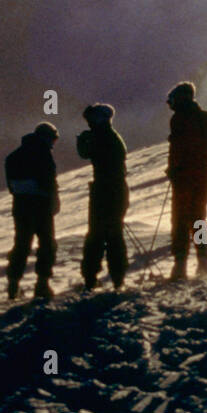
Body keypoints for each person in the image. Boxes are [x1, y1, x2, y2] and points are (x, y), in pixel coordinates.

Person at [165, 82, 207, 280]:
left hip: (183, 177)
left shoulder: (178, 120)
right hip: (204, 177)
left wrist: (173, 169)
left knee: (179, 219)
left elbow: (178, 149)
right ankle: (203, 260)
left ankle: (180, 265)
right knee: (198, 218)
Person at [4, 122, 60, 299]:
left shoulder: (13, 156)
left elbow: (11, 186)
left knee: (21, 244)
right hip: (41, 205)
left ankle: (13, 284)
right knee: (47, 244)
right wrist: (53, 200)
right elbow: (48, 181)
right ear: (46, 137)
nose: (53, 143)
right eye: (53, 139)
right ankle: (42, 285)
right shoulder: (44, 154)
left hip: (20, 205)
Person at [76, 103, 129, 290]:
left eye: (91, 119)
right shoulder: (111, 137)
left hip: (104, 190)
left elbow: (86, 153)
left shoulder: (102, 138)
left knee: (97, 235)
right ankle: (117, 277)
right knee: (113, 234)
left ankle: (92, 277)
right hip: (116, 190)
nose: (89, 123)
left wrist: (82, 141)